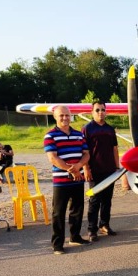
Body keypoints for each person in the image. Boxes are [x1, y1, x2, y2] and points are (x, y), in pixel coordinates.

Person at [44, 105, 91, 254]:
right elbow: (52, 158)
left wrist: (78, 166)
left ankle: (75, 237)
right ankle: (57, 244)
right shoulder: (50, 136)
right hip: (61, 181)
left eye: (67, 115)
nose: (65, 118)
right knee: (58, 213)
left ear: (71, 116)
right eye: (61, 115)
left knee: (77, 210)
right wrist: (71, 169)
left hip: (78, 179)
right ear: (55, 117)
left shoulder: (79, 134)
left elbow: (86, 154)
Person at [82, 100, 120, 242]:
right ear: (92, 112)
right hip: (94, 171)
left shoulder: (110, 129)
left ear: (106, 112)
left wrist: (117, 168)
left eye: (103, 110)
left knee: (107, 200)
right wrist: (86, 168)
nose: (100, 112)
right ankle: (92, 229)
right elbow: (83, 151)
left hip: (109, 170)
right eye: (97, 110)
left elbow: (114, 149)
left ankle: (104, 224)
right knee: (94, 200)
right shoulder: (87, 128)